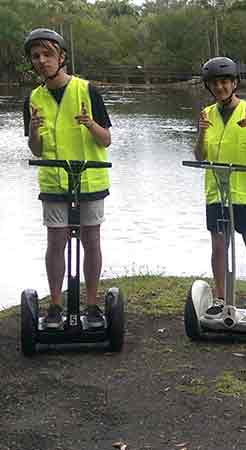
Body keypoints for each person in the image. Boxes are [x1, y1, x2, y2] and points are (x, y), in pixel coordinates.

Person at [23, 28, 113, 329]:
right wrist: (34, 129)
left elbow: (106, 140)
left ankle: (91, 305)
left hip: (90, 179)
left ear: (61, 57)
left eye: (47, 54)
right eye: (36, 56)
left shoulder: (88, 91)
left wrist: (89, 124)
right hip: (54, 182)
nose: (41, 61)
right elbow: (35, 148)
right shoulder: (34, 98)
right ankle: (55, 306)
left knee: (91, 239)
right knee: (56, 241)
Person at [193, 57, 246, 317]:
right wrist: (202, 133)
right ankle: (220, 297)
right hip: (217, 191)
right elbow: (199, 156)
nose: (220, 87)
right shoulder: (207, 114)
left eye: (225, 82)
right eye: (215, 83)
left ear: (234, 83)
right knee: (218, 246)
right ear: (209, 86)